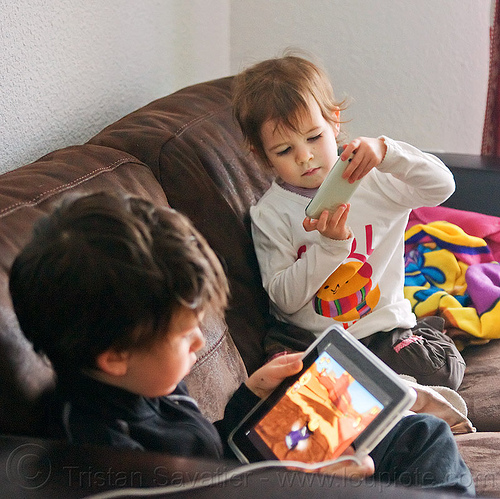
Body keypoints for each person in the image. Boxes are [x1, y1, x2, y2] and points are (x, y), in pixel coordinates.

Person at [9, 191, 474, 494]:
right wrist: (303, 489)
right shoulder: (98, 454)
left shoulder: (146, 380)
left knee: (417, 433)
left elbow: (202, 452)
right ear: (114, 356)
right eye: (183, 333)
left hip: (249, 475)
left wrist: (248, 397)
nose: (198, 341)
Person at [232, 53, 465, 390]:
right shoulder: (271, 214)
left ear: (334, 122)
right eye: (284, 150)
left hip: (380, 330)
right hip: (308, 339)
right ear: (260, 154)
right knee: (289, 390)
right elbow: (283, 298)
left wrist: (388, 152)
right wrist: (329, 247)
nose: (304, 157)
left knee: (438, 374)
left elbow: (442, 186)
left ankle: (427, 333)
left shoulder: (375, 179)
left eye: (314, 137)